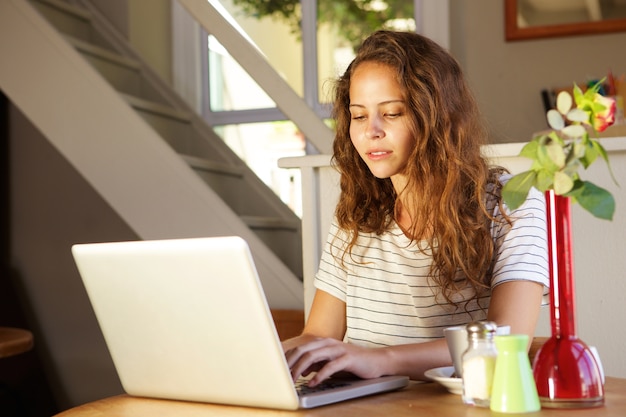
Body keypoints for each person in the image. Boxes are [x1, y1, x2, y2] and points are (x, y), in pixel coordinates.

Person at [283, 30, 549, 386]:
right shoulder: (356, 213)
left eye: (391, 113)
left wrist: (380, 360)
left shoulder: (509, 201)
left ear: (437, 117)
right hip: (362, 407)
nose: (370, 132)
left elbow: (508, 339)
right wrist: (273, 355)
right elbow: (320, 336)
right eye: (358, 116)